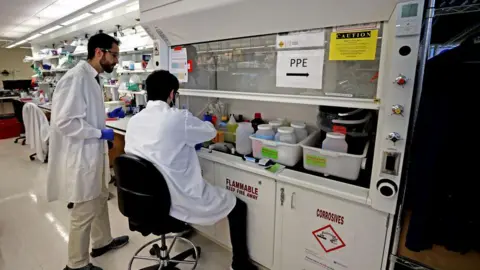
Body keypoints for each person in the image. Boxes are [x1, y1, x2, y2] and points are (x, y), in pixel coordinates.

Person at [124, 70, 257, 270]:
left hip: (143, 203)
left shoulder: (134, 121)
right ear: (171, 94)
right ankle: (240, 264)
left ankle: (180, 227)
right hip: (174, 200)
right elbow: (210, 132)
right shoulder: (178, 118)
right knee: (237, 207)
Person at [47, 33, 129, 270]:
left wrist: (102, 128)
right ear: (99, 52)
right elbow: (64, 122)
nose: (116, 61)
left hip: (94, 151)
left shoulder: (94, 77)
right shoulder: (76, 78)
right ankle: (76, 264)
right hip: (82, 154)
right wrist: (98, 133)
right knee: (83, 210)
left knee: (100, 198)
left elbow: (85, 114)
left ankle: (102, 242)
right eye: (114, 55)